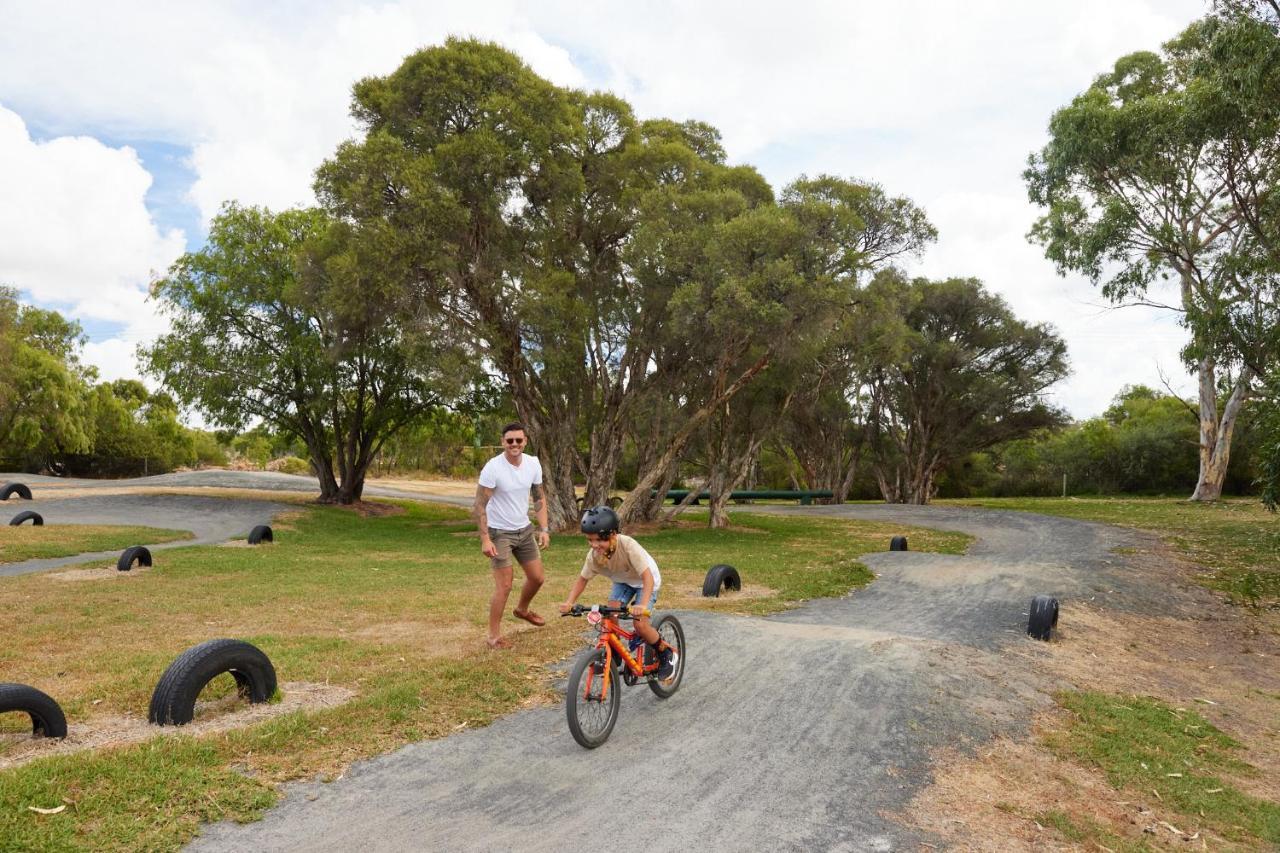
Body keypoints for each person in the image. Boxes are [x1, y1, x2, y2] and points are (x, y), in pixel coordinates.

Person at [558, 505, 677, 679]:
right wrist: (569, 602)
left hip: (646, 580)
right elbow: (583, 579)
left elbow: (647, 578)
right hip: (623, 581)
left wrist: (642, 605)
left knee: (640, 624)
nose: (594, 545)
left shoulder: (628, 546)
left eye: (599, 540)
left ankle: (665, 653)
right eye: (590, 540)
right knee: (610, 612)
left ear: (613, 535)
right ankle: (614, 653)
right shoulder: (594, 556)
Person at [475, 422, 550, 649]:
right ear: (503, 442)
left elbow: (539, 498)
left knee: (537, 578)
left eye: (519, 440)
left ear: (525, 441)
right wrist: (485, 539)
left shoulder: (533, 463)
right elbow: (479, 505)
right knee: (504, 586)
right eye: (510, 441)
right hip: (500, 533)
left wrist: (544, 529)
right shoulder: (493, 468)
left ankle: (522, 610)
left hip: (524, 530)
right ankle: (493, 637)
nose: (514, 444)